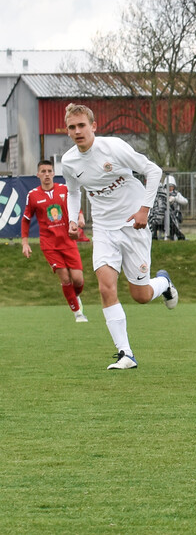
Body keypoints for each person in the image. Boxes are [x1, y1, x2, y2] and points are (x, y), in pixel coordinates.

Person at [59, 103, 179, 370]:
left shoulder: (113, 148)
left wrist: (143, 210)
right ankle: (126, 353)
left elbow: (153, 171)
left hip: (132, 225)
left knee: (141, 295)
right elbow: (73, 191)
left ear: (93, 126)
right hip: (103, 228)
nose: (77, 131)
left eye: (82, 125)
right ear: (67, 131)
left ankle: (164, 283)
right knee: (105, 287)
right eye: (72, 127)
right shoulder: (68, 161)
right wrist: (73, 217)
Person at [21, 159, 89, 322]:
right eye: (43, 171)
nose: (46, 175)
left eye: (49, 171)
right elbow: (26, 219)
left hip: (68, 241)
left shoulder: (64, 190)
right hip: (49, 244)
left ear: (54, 173)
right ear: (38, 175)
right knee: (65, 278)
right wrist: (25, 243)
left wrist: (80, 216)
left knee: (78, 279)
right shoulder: (33, 195)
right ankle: (78, 313)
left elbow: (75, 204)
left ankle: (75, 297)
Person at [150, 174, 188, 241]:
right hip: (161, 215)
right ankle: (154, 235)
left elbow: (185, 201)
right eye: (168, 186)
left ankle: (173, 235)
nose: (170, 187)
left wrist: (175, 199)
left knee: (168, 214)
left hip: (173, 215)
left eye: (171, 186)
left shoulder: (176, 194)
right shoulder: (162, 193)